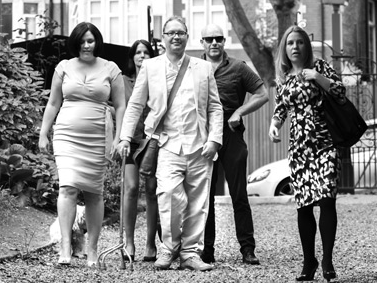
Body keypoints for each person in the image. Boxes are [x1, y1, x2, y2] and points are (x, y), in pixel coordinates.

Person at [114, 16, 223, 272]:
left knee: (198, 203)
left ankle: (190, 253)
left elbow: (215, 107)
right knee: (169, 197)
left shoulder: (203, 68)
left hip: (199, 147)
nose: (176, 37)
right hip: (166, 145)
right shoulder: (150, 67)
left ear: (187, 36)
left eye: (181, 33)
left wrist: (215, 139)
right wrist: (125, 137)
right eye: (171, 33)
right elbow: (135, 106)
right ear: (163, 38)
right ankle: (168, 249)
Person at [38, 22, 126, 267]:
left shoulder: (111, 68)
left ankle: (93, 250)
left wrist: (119, 137)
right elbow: (53, 103)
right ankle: (65, 248)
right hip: (67, 135)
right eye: (82, 41)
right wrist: (44, 133)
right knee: (67, 188)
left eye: (91, 40)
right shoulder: (63, 67)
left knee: (94, 193)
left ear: (97, 41)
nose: (87, 45)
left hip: (98, 137)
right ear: (75, 43)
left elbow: (121, 105)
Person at [268, 26, 346, 282]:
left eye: (299, 42)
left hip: (325, 141)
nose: (295, 47)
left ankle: (327, 260)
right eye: (290, 43)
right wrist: (274, 124)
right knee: (303, 206)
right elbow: (281, 106)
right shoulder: (284, 76)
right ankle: (308, 260)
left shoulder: (320, 67)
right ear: (285, 48)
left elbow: (340, 92)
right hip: (299, 147)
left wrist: (318, 78)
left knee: (326, 199)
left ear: (306, 46)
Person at [199, 23, 267, 265]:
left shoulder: (238, 67)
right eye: (209, 39)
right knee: (204, 198)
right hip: (204, 138)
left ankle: (247, 249)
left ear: (224, 41)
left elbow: (262, 93)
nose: (214, 43)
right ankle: (206, 251)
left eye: (218, 38)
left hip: (231, 134)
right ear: (202, 43)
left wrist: (239, 111)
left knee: (239, 195)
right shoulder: (194, 68)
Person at [121, 39, 160, 262]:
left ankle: (150, 243)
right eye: (138, 52)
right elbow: (119, 109)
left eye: (146, 52)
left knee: (152, 189)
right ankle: (129, 242)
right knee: (132, 188)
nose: (142, 56)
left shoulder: (157, 81)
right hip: (131, 141)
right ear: (132, 57)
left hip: (151, 141)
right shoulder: (124, 81)